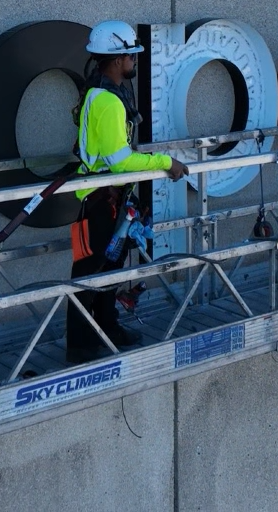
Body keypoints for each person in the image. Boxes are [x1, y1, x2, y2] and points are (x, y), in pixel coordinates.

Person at [67, 20, 189, 362]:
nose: (134, 61)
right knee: (90, 274)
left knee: (108, 271)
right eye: (131, 56)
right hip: (102, 198)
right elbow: (120, 161)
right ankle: (79, 347)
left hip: (109, 197)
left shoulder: (103, 94)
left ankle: (107, 329)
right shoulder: (107, 101)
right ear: (116, 60)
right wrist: (166, 162)